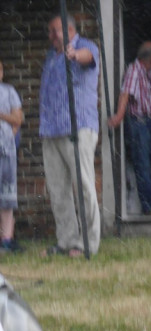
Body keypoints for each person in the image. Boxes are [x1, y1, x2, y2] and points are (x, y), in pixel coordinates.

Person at [39, 14, 101, 258]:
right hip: (51, 129)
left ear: (70, 29)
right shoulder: (51, 56)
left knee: (83, 186)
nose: (52, 36)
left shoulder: (85, 46)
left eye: (56, 31)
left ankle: (88, 242)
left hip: (77, 126)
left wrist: (74, 54)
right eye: (50, 32)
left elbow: (89, 58)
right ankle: (66, 240)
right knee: (57, 188)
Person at [108, 41, 151, 216]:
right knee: (143, 165)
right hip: (138, 123)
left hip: (149, 123)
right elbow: (125, 94)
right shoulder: (134, 71)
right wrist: (119, 116)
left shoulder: (148, 72)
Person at [0, 60, 24, 253]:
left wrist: (2, 116)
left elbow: (17, 119)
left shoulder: (9, 91)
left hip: (5, 151)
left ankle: (6, 239)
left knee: (7, 196)